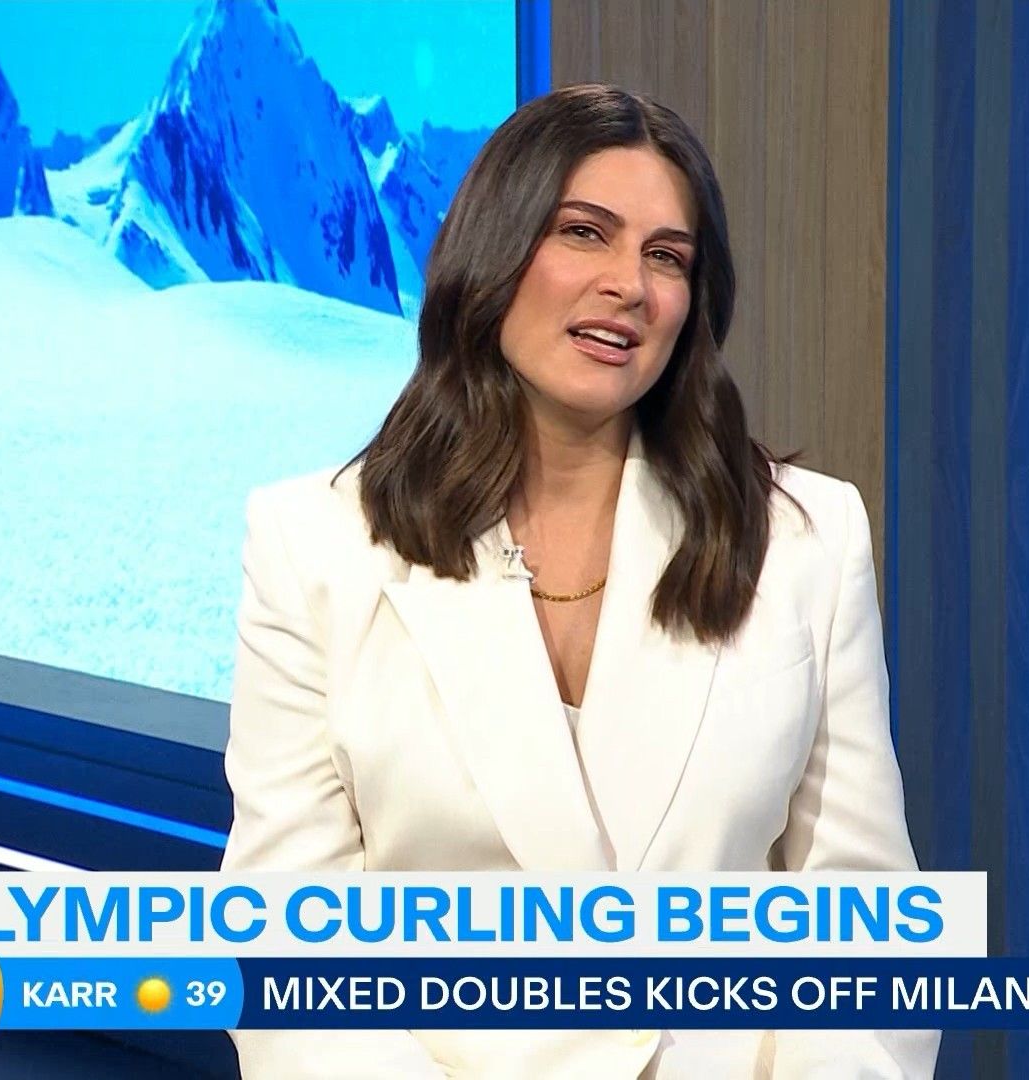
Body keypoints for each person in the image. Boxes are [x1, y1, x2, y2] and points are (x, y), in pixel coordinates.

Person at [222, 83, 937, 1078]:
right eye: (584, 233)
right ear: (494, 251)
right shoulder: (313, 545)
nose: (628, 285)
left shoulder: (808, 540)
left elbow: (868, 930)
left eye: (667, 256)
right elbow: (290, 954)